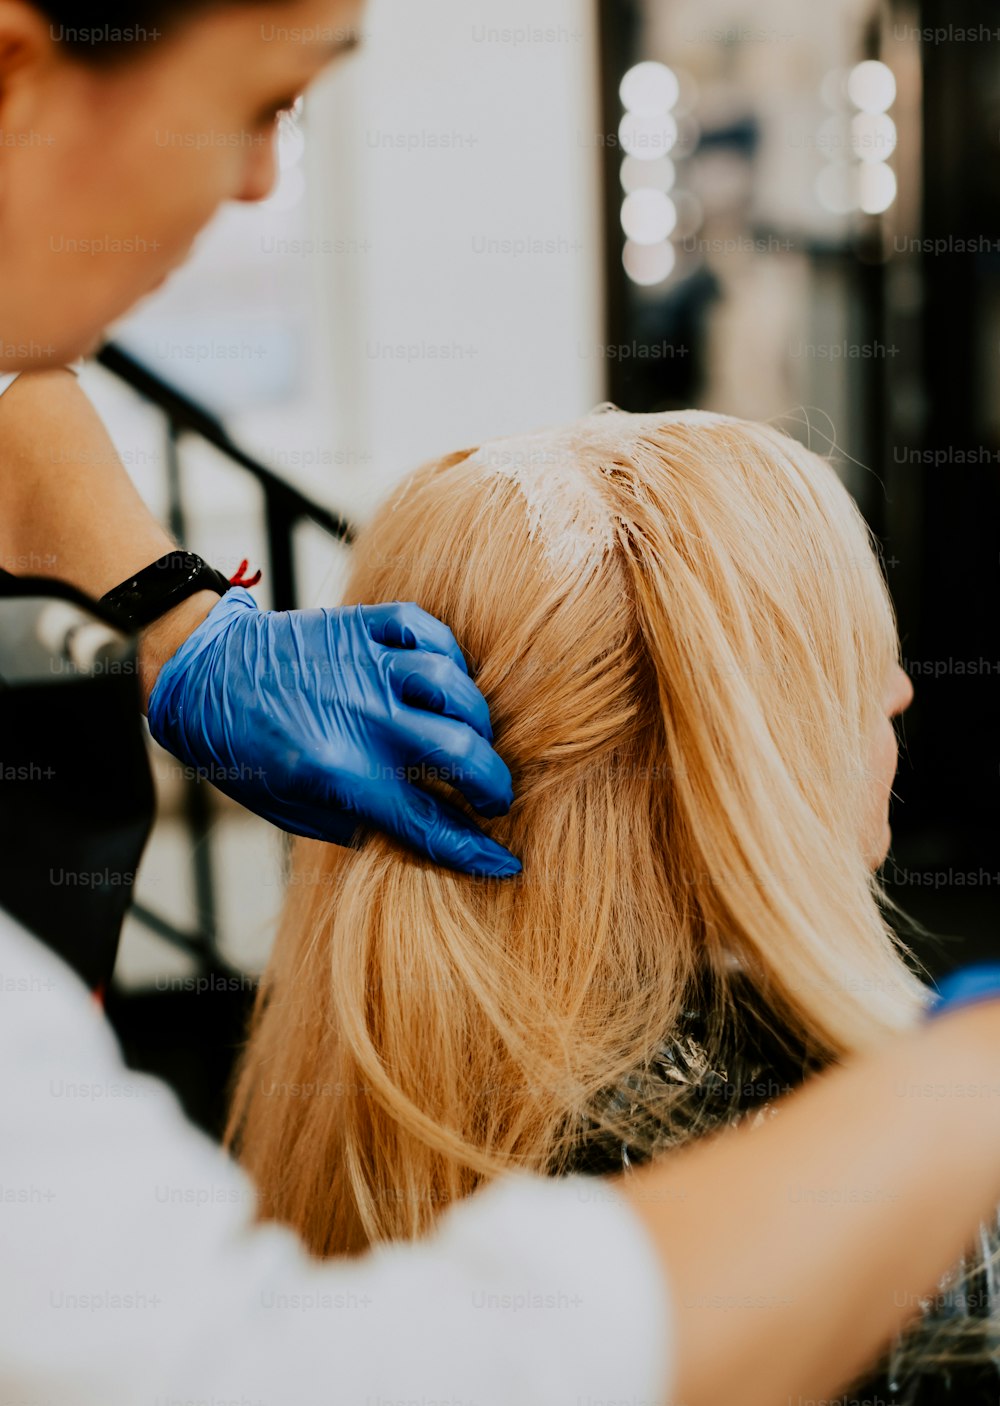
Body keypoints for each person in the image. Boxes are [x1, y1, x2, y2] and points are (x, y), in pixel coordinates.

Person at [3, 3, 1000, 1404]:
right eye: (266, 103)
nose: (261, 186)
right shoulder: (902, 1253)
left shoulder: (346, 1150)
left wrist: (179, 615)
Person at [224, 407, 998, 1396]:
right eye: (832, 662)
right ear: (727, 760)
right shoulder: (886, 1207)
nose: (895, 688)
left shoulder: (369, 1108)